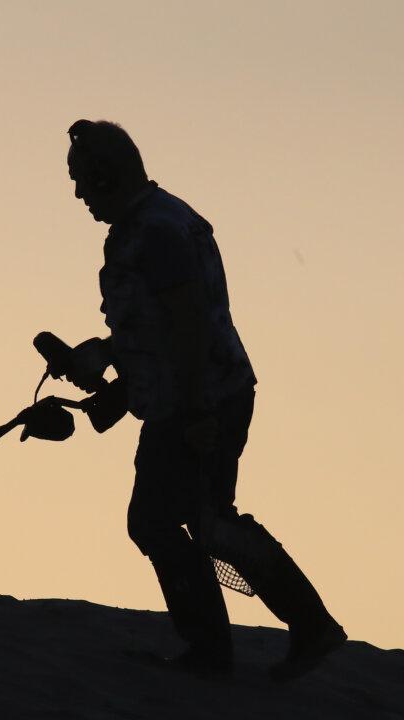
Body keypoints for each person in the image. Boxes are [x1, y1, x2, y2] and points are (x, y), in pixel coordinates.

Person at [61, 119, 345, 681]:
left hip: (200, 399)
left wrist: (194, 414)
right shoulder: (154, 223)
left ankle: (236, 645)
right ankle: (282, 633)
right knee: (197, 518)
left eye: (81, 180)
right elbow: (158, 326)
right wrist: (113, 366)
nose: (77, 194)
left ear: (104, 175)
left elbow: (189, 325)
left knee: (168, 520)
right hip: (193, 396)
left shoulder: (158, 231)